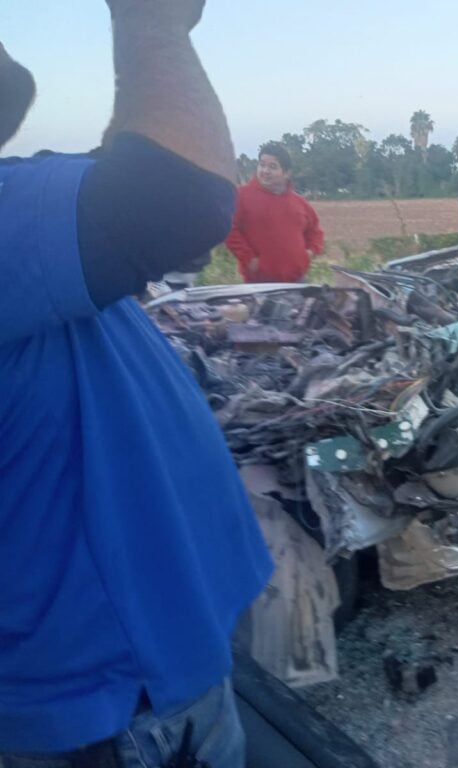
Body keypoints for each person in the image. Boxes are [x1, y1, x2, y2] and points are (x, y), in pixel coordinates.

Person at [0, 2, 272, 766]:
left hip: (116, 689)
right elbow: (175, 195)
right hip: (115, 712)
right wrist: (149, 22)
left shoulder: (25, 225)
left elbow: (126, 180)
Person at [225, 142, 325, 283]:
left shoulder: (300, 203)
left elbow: (315, 232)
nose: (265, 171)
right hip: (258, 283)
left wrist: (309, 253)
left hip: (297, 281)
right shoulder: (241, 196)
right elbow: (229, 229)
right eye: (262, 165)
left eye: (272, 167)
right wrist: (250, 259)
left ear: (286, 173)